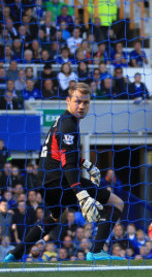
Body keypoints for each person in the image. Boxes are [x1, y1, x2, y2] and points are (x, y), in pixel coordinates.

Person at [4, 82, 125, 262]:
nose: (82, 106)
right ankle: (97, 251)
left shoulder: (63, 121)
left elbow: (61, 154)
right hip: (61, 181)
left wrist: (86, 164)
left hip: (45, 182)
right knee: (116, 203)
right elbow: (67, 163)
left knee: (54, 217)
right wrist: (81, 193)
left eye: (86, 102)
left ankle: (15, 254)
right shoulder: (69, 124)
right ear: (68, 100)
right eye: (78, 101)